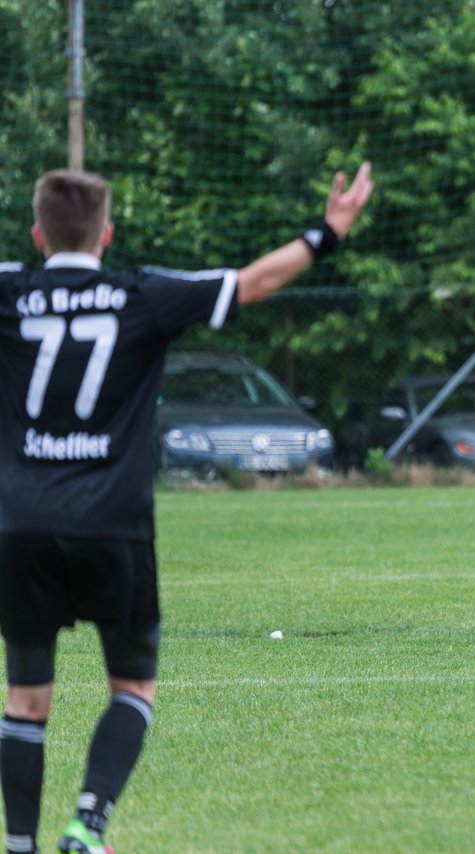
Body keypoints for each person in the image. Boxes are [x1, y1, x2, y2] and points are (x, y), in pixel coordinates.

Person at [0, 162, 373, 854]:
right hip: (114, 525)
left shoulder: (11, 291)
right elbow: (254, 282)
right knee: (134, 686)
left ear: (37, 234)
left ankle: (19, 846)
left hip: (21, 522)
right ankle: (88, 822)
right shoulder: (143, 293)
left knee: (26, 702)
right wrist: (328, 231)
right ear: (106, 234)